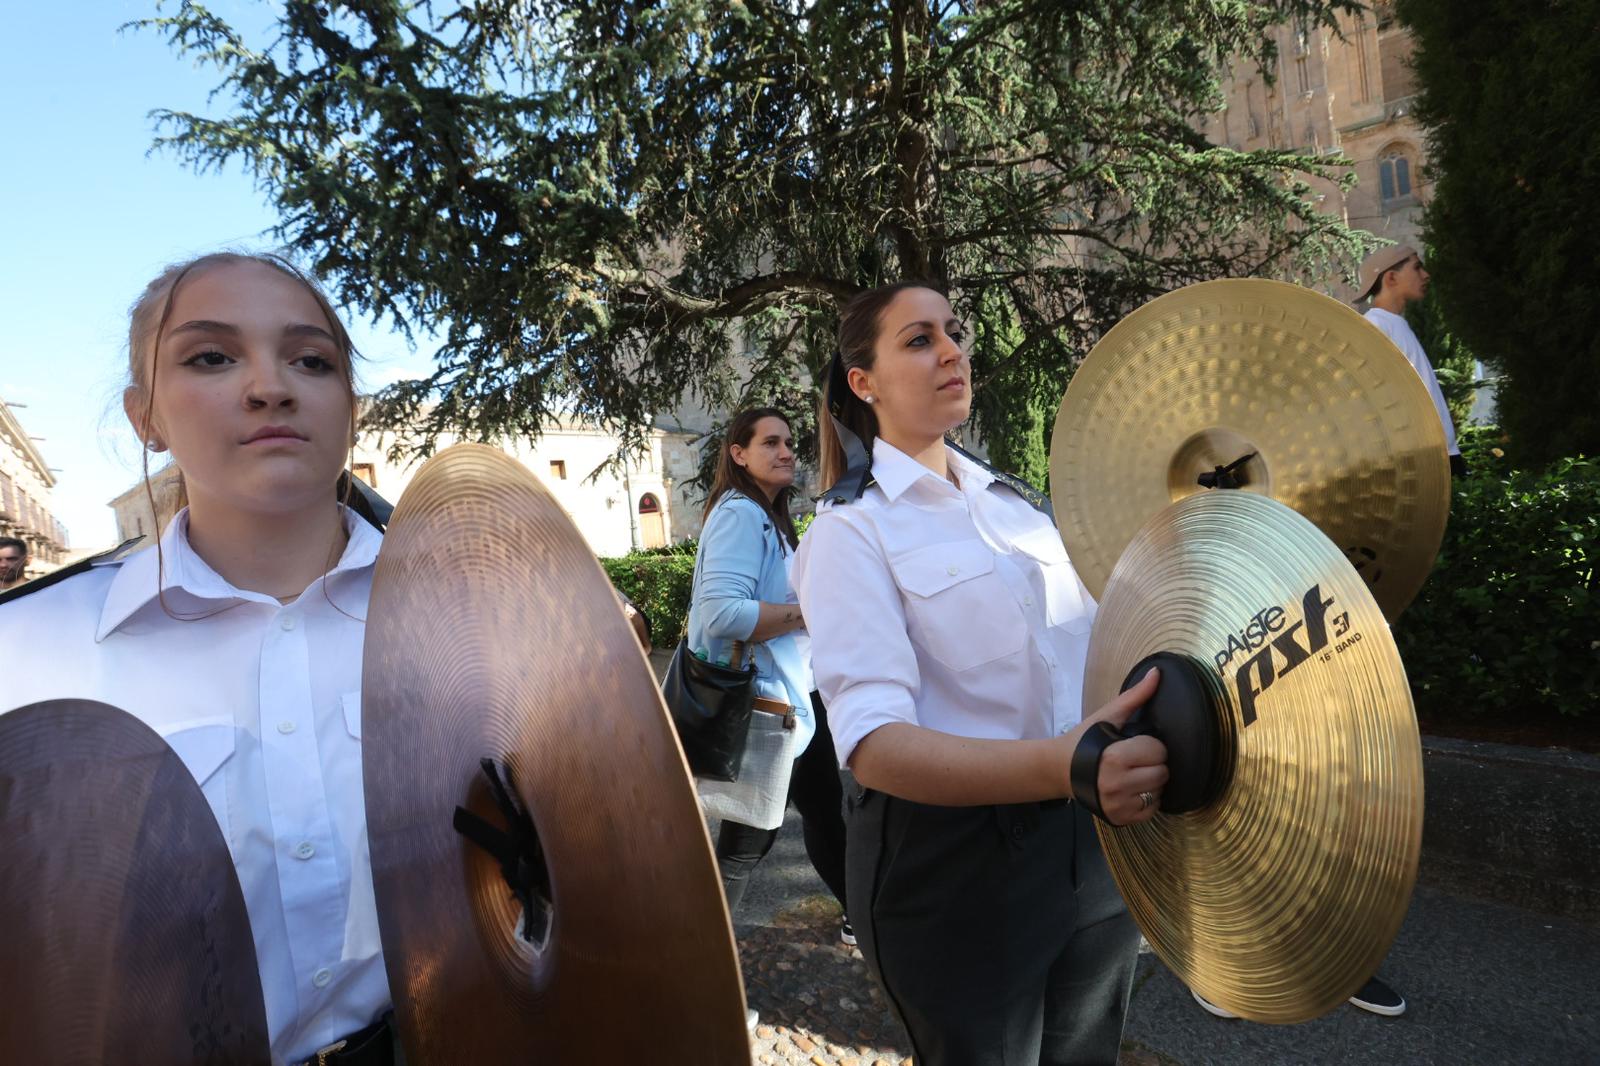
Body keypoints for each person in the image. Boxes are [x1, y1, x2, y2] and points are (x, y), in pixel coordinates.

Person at [0, 252, 396, 1066]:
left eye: (311, 360)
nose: (270, 387)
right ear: (144, 416)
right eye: (211, 356)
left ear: (349, 408)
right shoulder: (25, 651)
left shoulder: (478, 612)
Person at [791, 282, 1169, 1066]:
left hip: (1092, 843)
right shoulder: (849, 532)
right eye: (919, 338)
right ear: (863, 382)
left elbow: (1103, 652)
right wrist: (1066, 764)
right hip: (957, 872)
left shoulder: (1022, 509)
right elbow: (875, 747)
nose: (952, 350)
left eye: (954, 332)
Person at [686, 409, 851, 945]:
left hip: (794, 699)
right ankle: (702, 964)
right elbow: (721, 615)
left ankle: (862, 920)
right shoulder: (739, 514)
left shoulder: (766, 514)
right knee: (747, 841)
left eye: (789, 443)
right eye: (770, 443)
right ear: (738, 454)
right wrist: (813, 611)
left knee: (828, 812)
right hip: (765, 706)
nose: (787, 452)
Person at [1357, 244, 1466, 479]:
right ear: (1392, 278)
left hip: (1440, 453)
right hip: (1424, 458)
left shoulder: (1393, 323)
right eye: (1417, 268)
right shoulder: (1376, 326)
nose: (1425, 275)